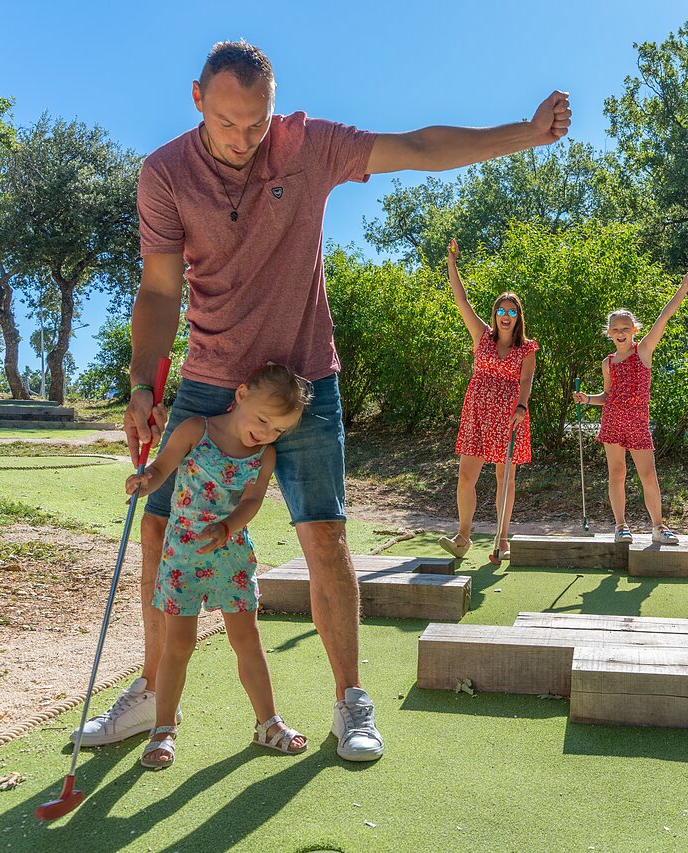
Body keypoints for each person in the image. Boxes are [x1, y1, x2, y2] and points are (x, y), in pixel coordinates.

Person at [74, 40, 571, 761]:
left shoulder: (309, 146)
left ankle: (349, 701)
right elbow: (159, 289)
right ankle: (151, 693)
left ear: (274, 108)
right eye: (227, 123)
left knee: (324, 535)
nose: (244, 140)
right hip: (210, 382)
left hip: (306, 382)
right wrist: (142, 386)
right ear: (197, 100)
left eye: (257, 123)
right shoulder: (165, 173)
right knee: (157, 529)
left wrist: (523, 134)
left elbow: (419, 146)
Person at [126, 364, 311, 768]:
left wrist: (228, 527)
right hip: (183, 556)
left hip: (232, 553)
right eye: (263, 420)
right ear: (241, 394)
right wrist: (146, 480)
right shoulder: (196, 429)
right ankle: (163, 728)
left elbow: (253, 500)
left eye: (277, 429)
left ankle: (268, 723)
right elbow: (163, 467)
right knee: (179, 644)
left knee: (247, 640)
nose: (265, 433)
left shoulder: (265, 453)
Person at [573, 272, 688, 544]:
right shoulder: (608, 363)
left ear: (634, 330)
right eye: (615, 329)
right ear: (609, 333)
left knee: (648, 474)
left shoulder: (644, 351)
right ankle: (620, 525)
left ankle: (658, 526)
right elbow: (608, 395)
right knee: (616, 473)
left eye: (625, 328)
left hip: (638, 424)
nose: (620, 333)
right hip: (612, 422)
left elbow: (664, 317)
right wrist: (587, 399)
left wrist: (682, 290)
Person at [437, 238, 538, 562]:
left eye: (511, 311)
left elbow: (526, 380)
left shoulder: (527, 348)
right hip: (478, 412)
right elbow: (461, 299)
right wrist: (453, 263)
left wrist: (521, 407)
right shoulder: (481, 335)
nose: (505, 315)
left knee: (504, 478)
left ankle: (502, 539)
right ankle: (463, 537)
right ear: (494, 315)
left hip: (510, 414)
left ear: (517, 316)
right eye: (500, 310)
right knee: (466, 476)